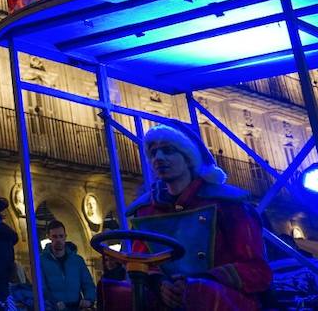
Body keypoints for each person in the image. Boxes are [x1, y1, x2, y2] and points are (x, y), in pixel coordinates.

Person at [100, 123, 272, 311]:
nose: (158, 158)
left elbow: (257, 270)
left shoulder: (227, 205)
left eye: (168, 150)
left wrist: (201, 282)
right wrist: (160, 285)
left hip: (221, 298)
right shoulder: (145, 210)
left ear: (188, 157)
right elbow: (141, 261)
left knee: (202, 292)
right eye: (153, 152)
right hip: (165, 300)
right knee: (115, 293)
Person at [41, 219, 96, 310]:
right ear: (49, 237)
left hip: (76, 307)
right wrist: (53, 303)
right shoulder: (41, 261)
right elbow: (42, 288)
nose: (58, 239)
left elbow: (88, 284)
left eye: (61, 236)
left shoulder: (77, 261)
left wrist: (89, 299)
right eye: (54, 236)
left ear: (65, 236)